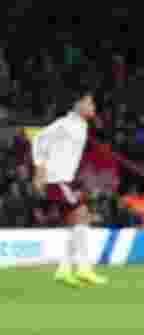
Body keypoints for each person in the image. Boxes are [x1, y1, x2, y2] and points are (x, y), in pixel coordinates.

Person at [32, 87, 107, 287]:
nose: (93, 106)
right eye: (90, 102)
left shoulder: (82, 125)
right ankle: (82, 269)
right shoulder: (64, 124)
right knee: (81, 215)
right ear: (78, 104)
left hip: (67, 179)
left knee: (77, 223)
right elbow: (39, 139)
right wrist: (39, 170)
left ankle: (66, 270)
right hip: (58, 179)